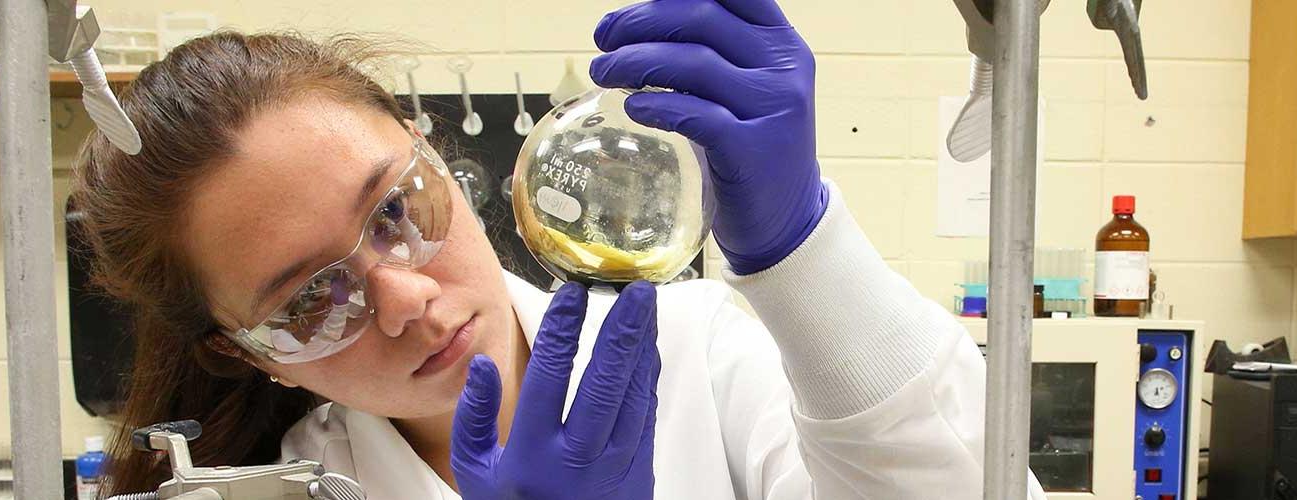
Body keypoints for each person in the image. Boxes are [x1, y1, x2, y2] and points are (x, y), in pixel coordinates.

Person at [73, 0, 1043, 497]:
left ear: (441, 158)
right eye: (306, 302)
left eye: (392, 210)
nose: (404, 296)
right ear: (245, 352)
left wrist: (803, 249)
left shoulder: (701, 350)